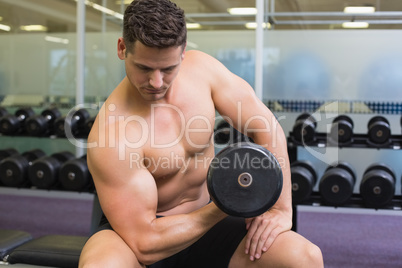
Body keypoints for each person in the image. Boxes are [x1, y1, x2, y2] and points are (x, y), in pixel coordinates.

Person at [79, 0, 324, 267]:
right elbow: (145, 243)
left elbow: (265, 125)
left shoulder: (203, 72)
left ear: (183, 53)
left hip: (209, 217)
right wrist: (228, 203)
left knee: (305, 258)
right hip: (139, 234)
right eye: (145, 68)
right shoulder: (111, 133)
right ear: (122, 49)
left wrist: (280, 209)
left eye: (168, 69)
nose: (156, 82)